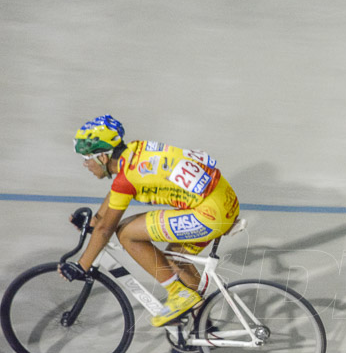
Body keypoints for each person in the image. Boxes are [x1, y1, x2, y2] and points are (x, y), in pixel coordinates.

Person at [60, 115, 240, 327]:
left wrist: (82, 265)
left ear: (103, 157)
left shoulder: (125, 179)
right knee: (175, 262)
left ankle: (177, 293)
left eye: (87, 157)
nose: (85, 164)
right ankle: (203, 328)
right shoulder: (135, 150)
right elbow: (115, 196)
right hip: (225, 202)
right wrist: (97, 219)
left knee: (126, 233)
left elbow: (105, 230)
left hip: (208, 214)